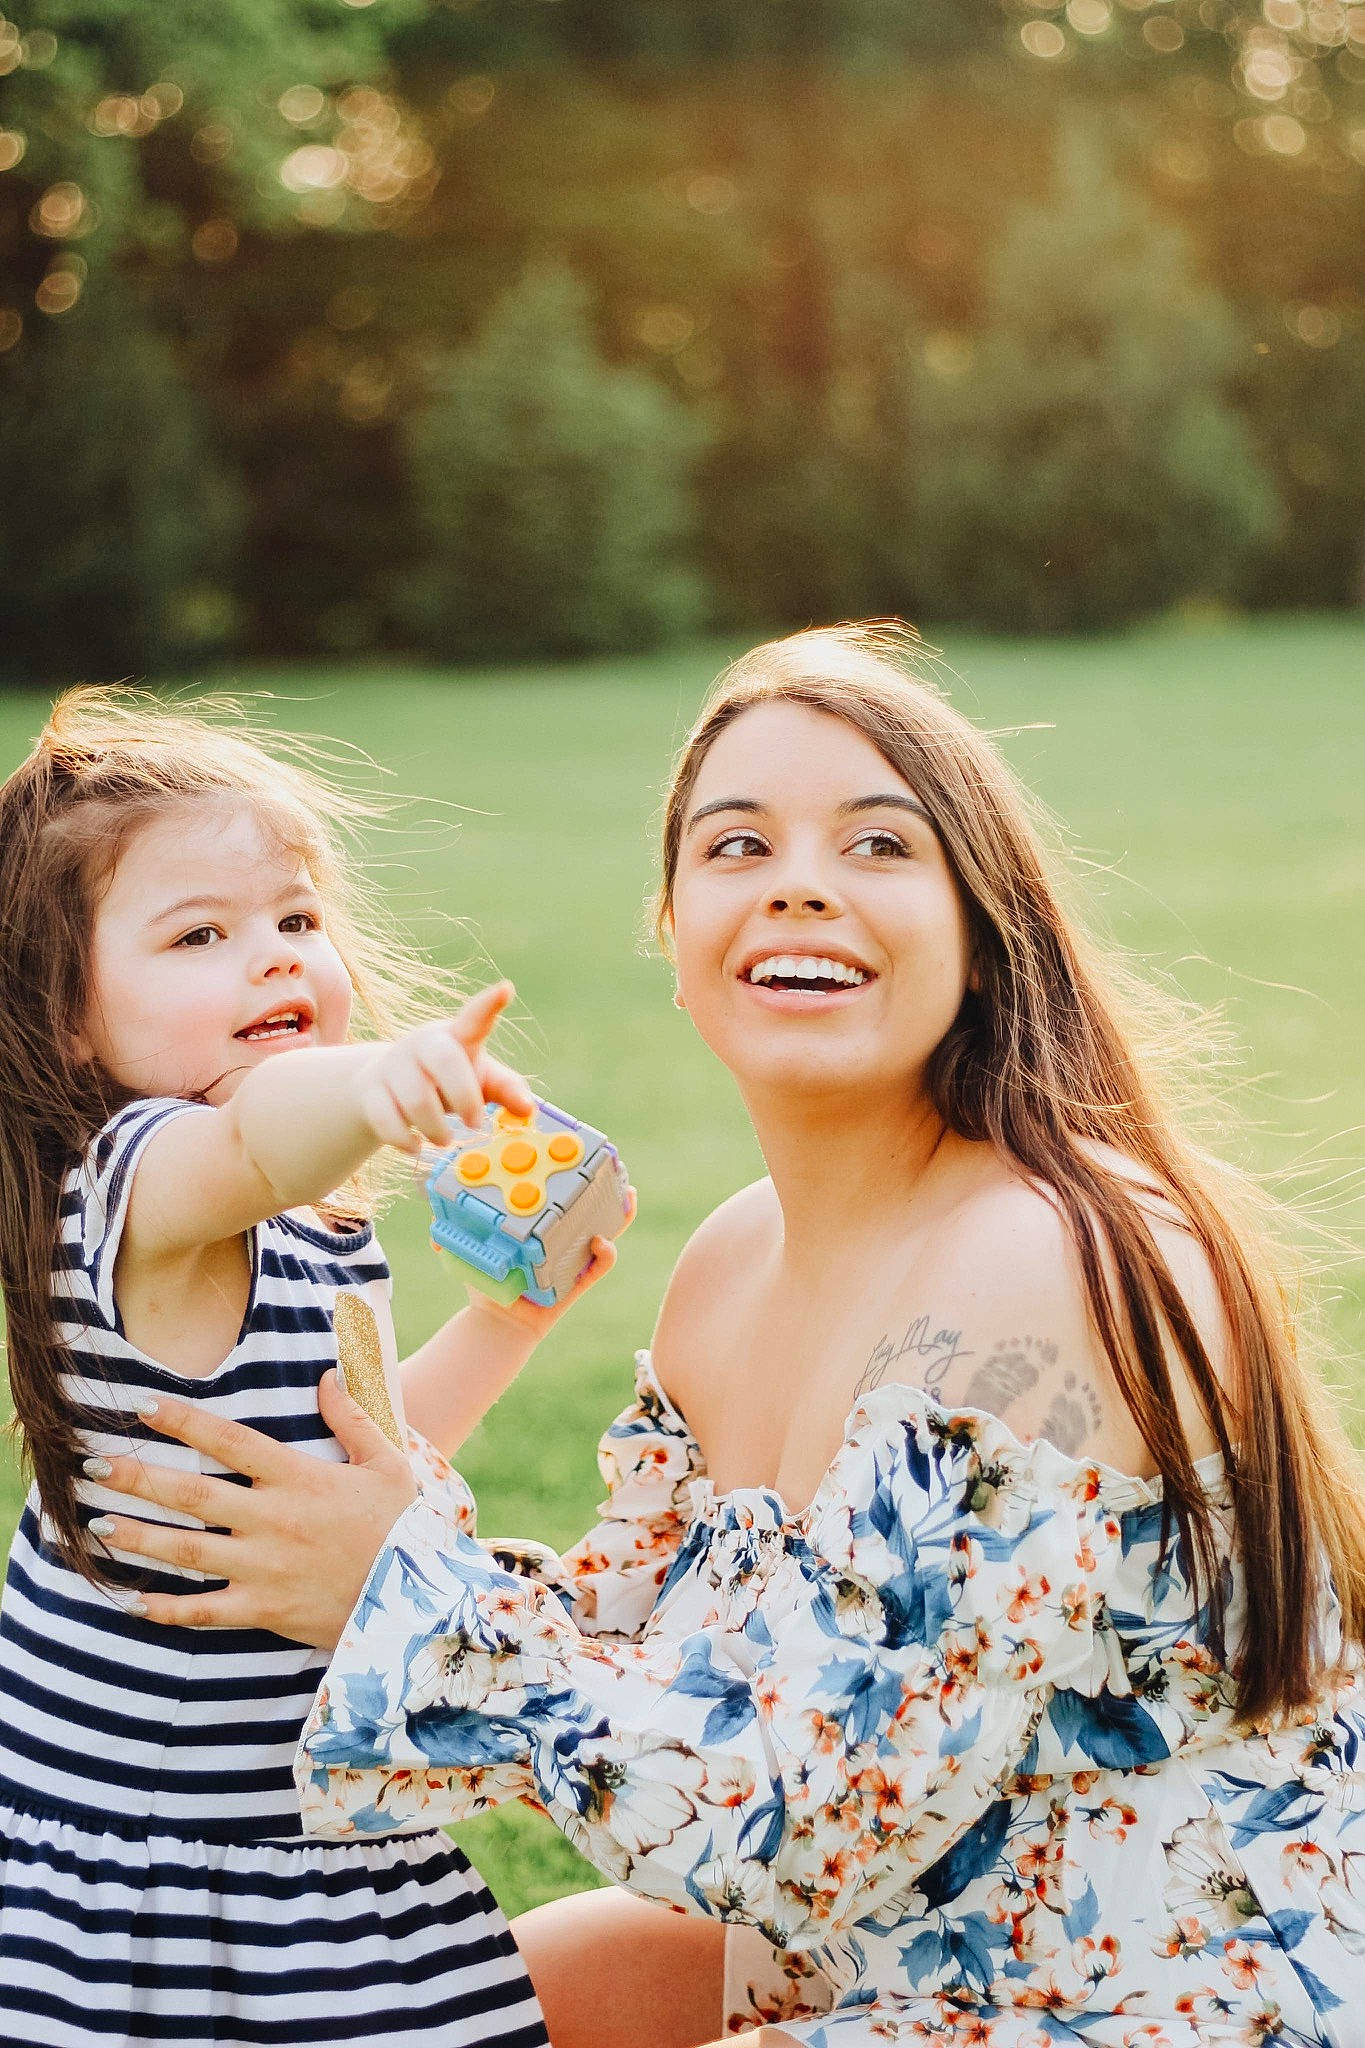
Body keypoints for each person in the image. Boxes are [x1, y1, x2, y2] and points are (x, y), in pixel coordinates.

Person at [86, 627, 1365, 2047]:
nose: (800, 883)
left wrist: (402, 1594)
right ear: (676, 936)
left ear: (984, 934)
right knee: (432, 2003)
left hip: (1157, 1993)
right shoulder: (733, 1259)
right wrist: (359, 1540)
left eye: (878, 846)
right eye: (737, 846)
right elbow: (635, 1667)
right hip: (877, 1946)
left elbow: (812, 1814)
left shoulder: (1040, 1253)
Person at [0, 688, 623, 2048]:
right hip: (152, 1887)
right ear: (68, 1023)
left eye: (295, 921)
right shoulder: (128, 1194)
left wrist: (515, 1316)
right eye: (200, 936)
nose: (275, 960)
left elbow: (372, 1453)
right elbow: (253, 1142)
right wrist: (367, 1084)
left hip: (310, 1844)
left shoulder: (313, 1232)